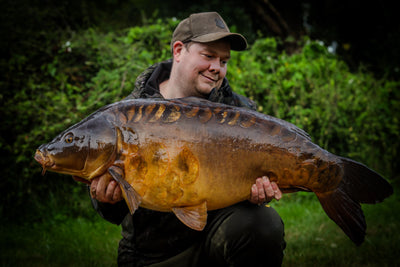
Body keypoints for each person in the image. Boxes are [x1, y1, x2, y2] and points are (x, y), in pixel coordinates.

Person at [88, 12, 286, 267]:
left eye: (223, 60)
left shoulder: (239, 112)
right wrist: (106, 199)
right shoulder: (130, 115)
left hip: (219, 240)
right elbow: (112, 213)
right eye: (208, 56)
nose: (217, 67)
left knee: (264, 223)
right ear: (179, 51)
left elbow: (256, 187)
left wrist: (259, 191)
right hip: (153, 255)